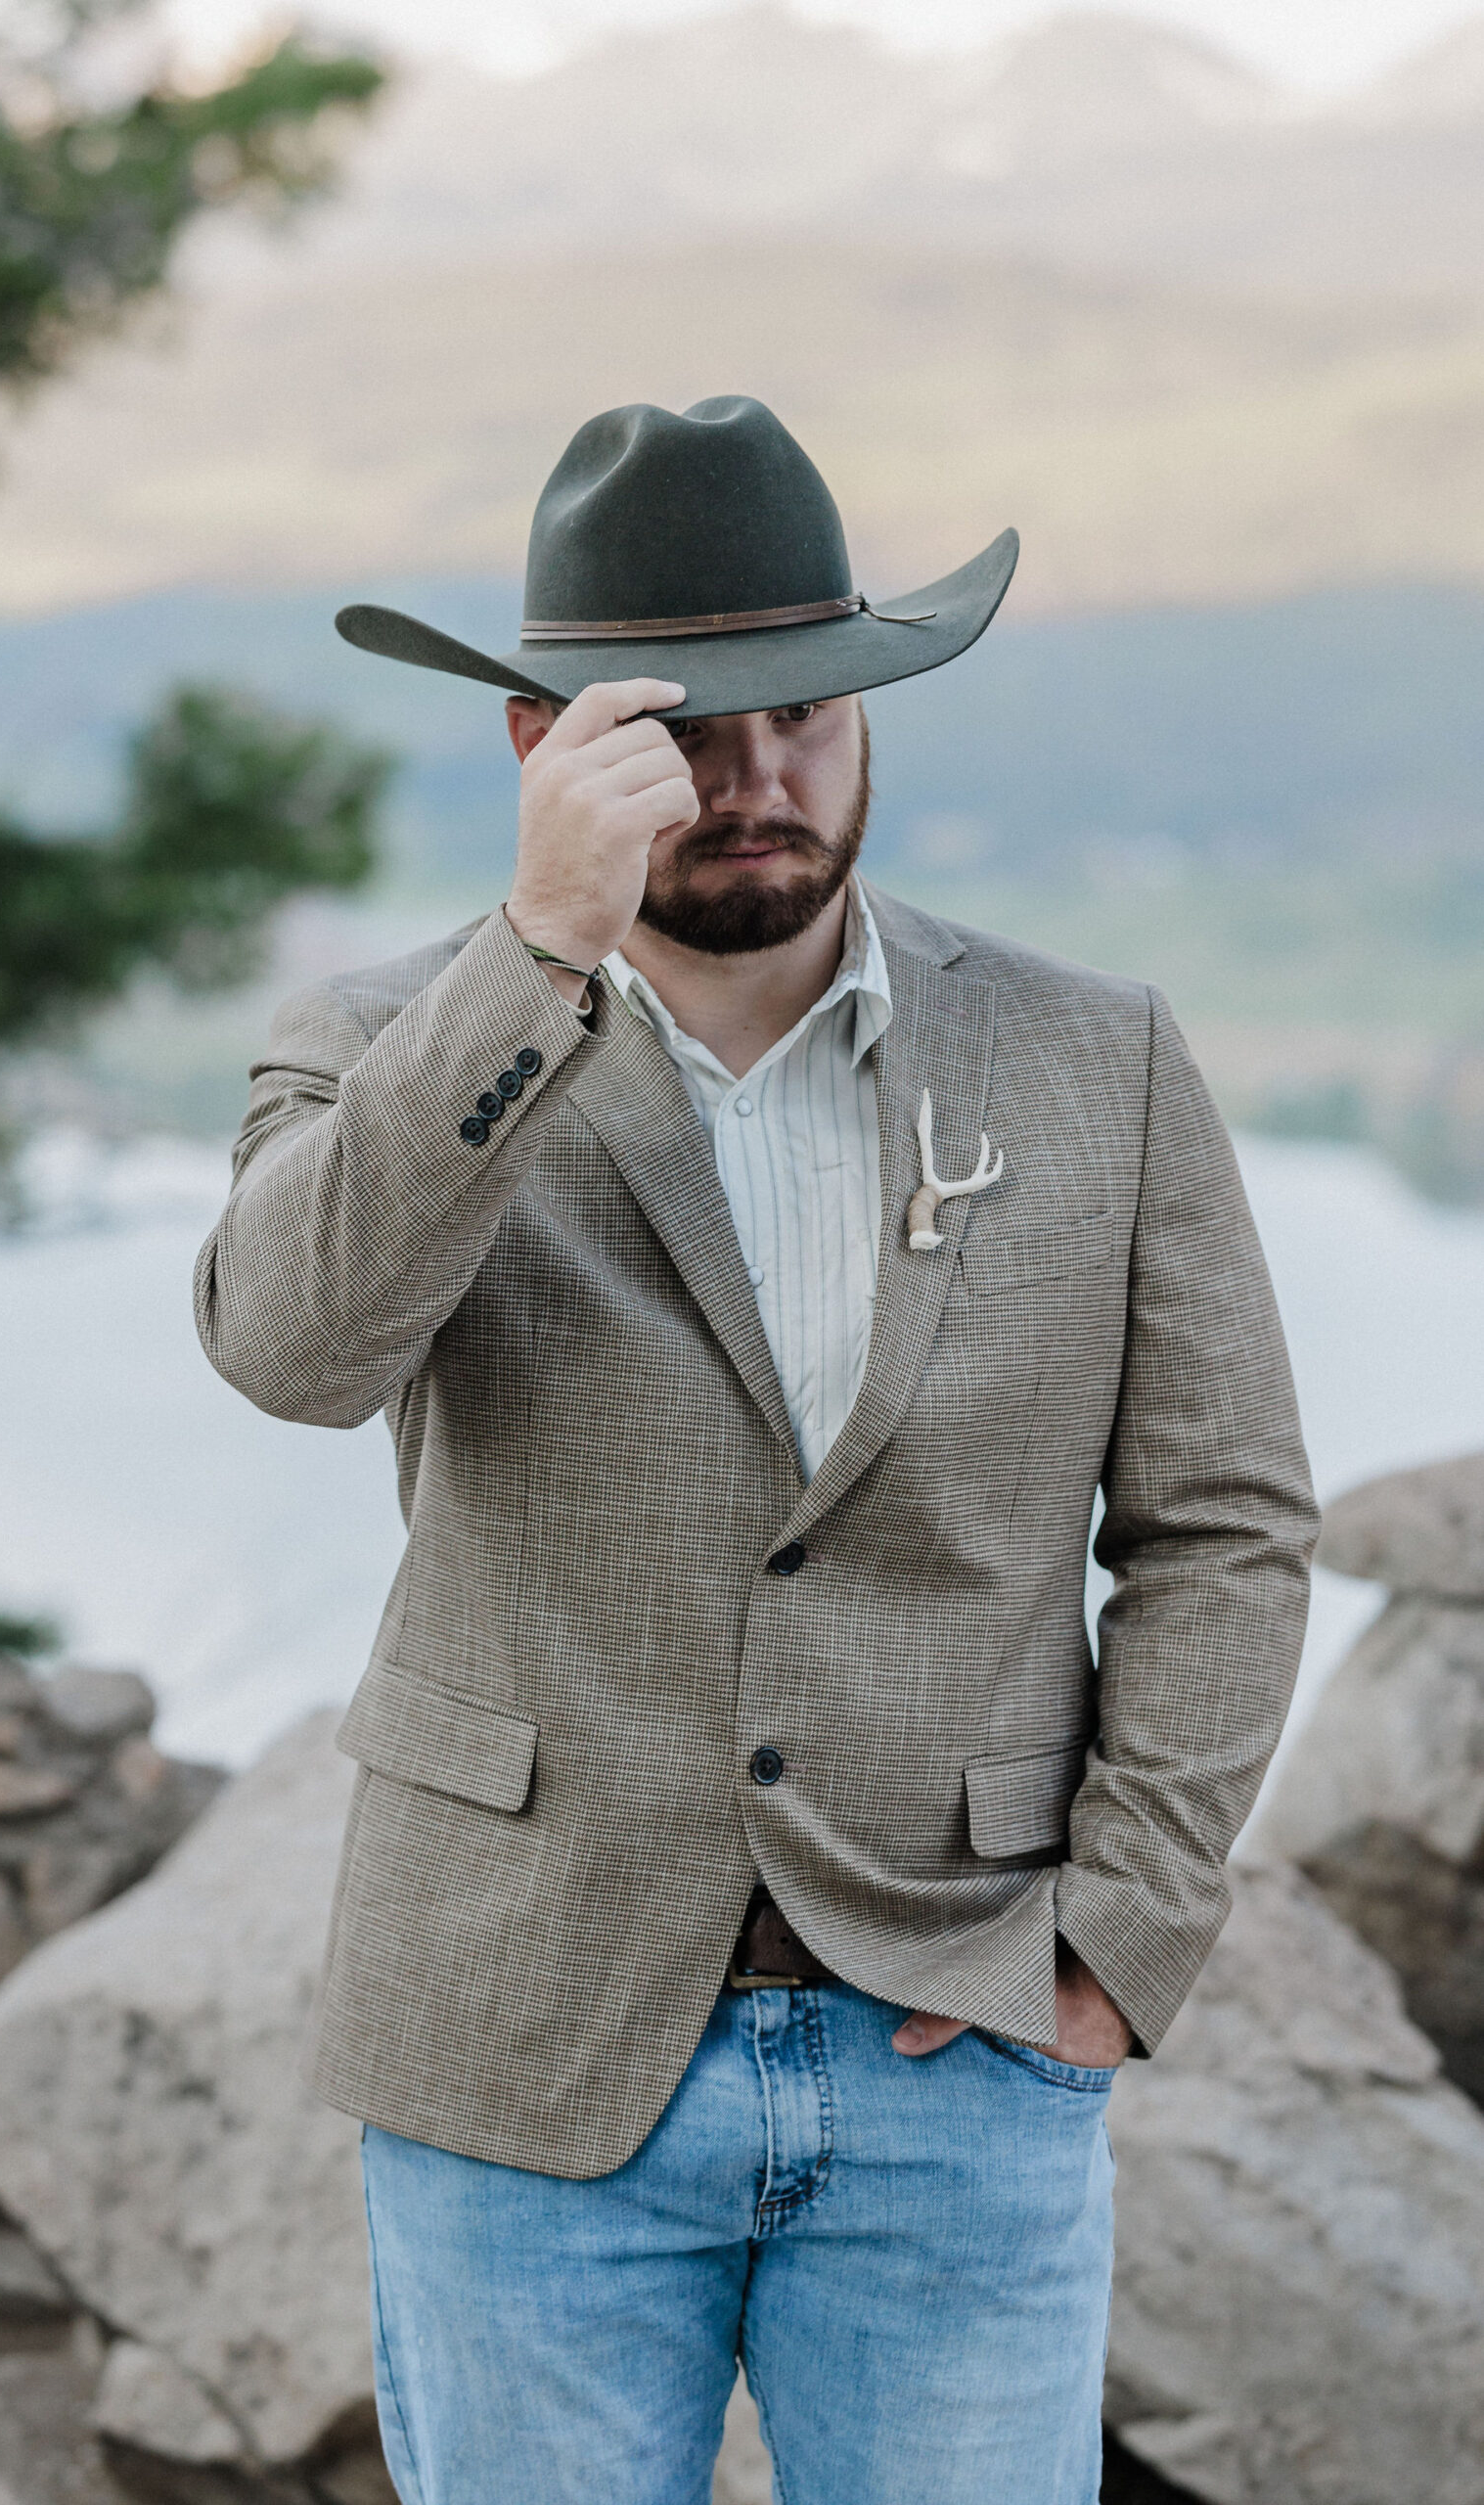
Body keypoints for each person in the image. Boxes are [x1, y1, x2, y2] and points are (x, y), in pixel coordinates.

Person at [195, 395, 1318, 2505]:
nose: (753, 779)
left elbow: (1226, 1523)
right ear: (544, 747)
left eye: (801, 713)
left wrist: (1116, 1938)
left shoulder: (1099, 1056)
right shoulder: (383, 1049)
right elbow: (288, 1347)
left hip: (957, 2048)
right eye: (676, 730)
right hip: (514, 2054)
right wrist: (533, 956)